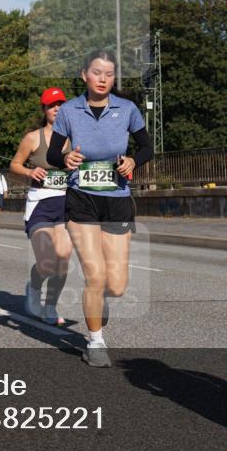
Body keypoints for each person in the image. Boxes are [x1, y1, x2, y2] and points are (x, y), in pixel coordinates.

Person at [47, 51, 154, 367]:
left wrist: (135, 159)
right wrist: (65, 159)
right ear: (84, 75)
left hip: (118, 200)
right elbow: (54, 153)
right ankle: (95, 342)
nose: (103, 78)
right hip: (81, 199)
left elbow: (147, 146)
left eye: (109, 73)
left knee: (117, 285)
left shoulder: (128, 109)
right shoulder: (69, 111)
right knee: (95, 275)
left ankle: (100, 298)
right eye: (97, 72)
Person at [10, 87, 72, 326]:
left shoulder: (74, 137)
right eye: (52, 105)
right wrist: (29, 170)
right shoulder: (33, 138)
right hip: (41, 206)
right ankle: (34, 287)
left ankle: (51, 306)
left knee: (64, 259)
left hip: (67, 204)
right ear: (44, 110)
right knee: (47, 262)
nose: (57, 109)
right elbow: (14, 164)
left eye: (61, 105)